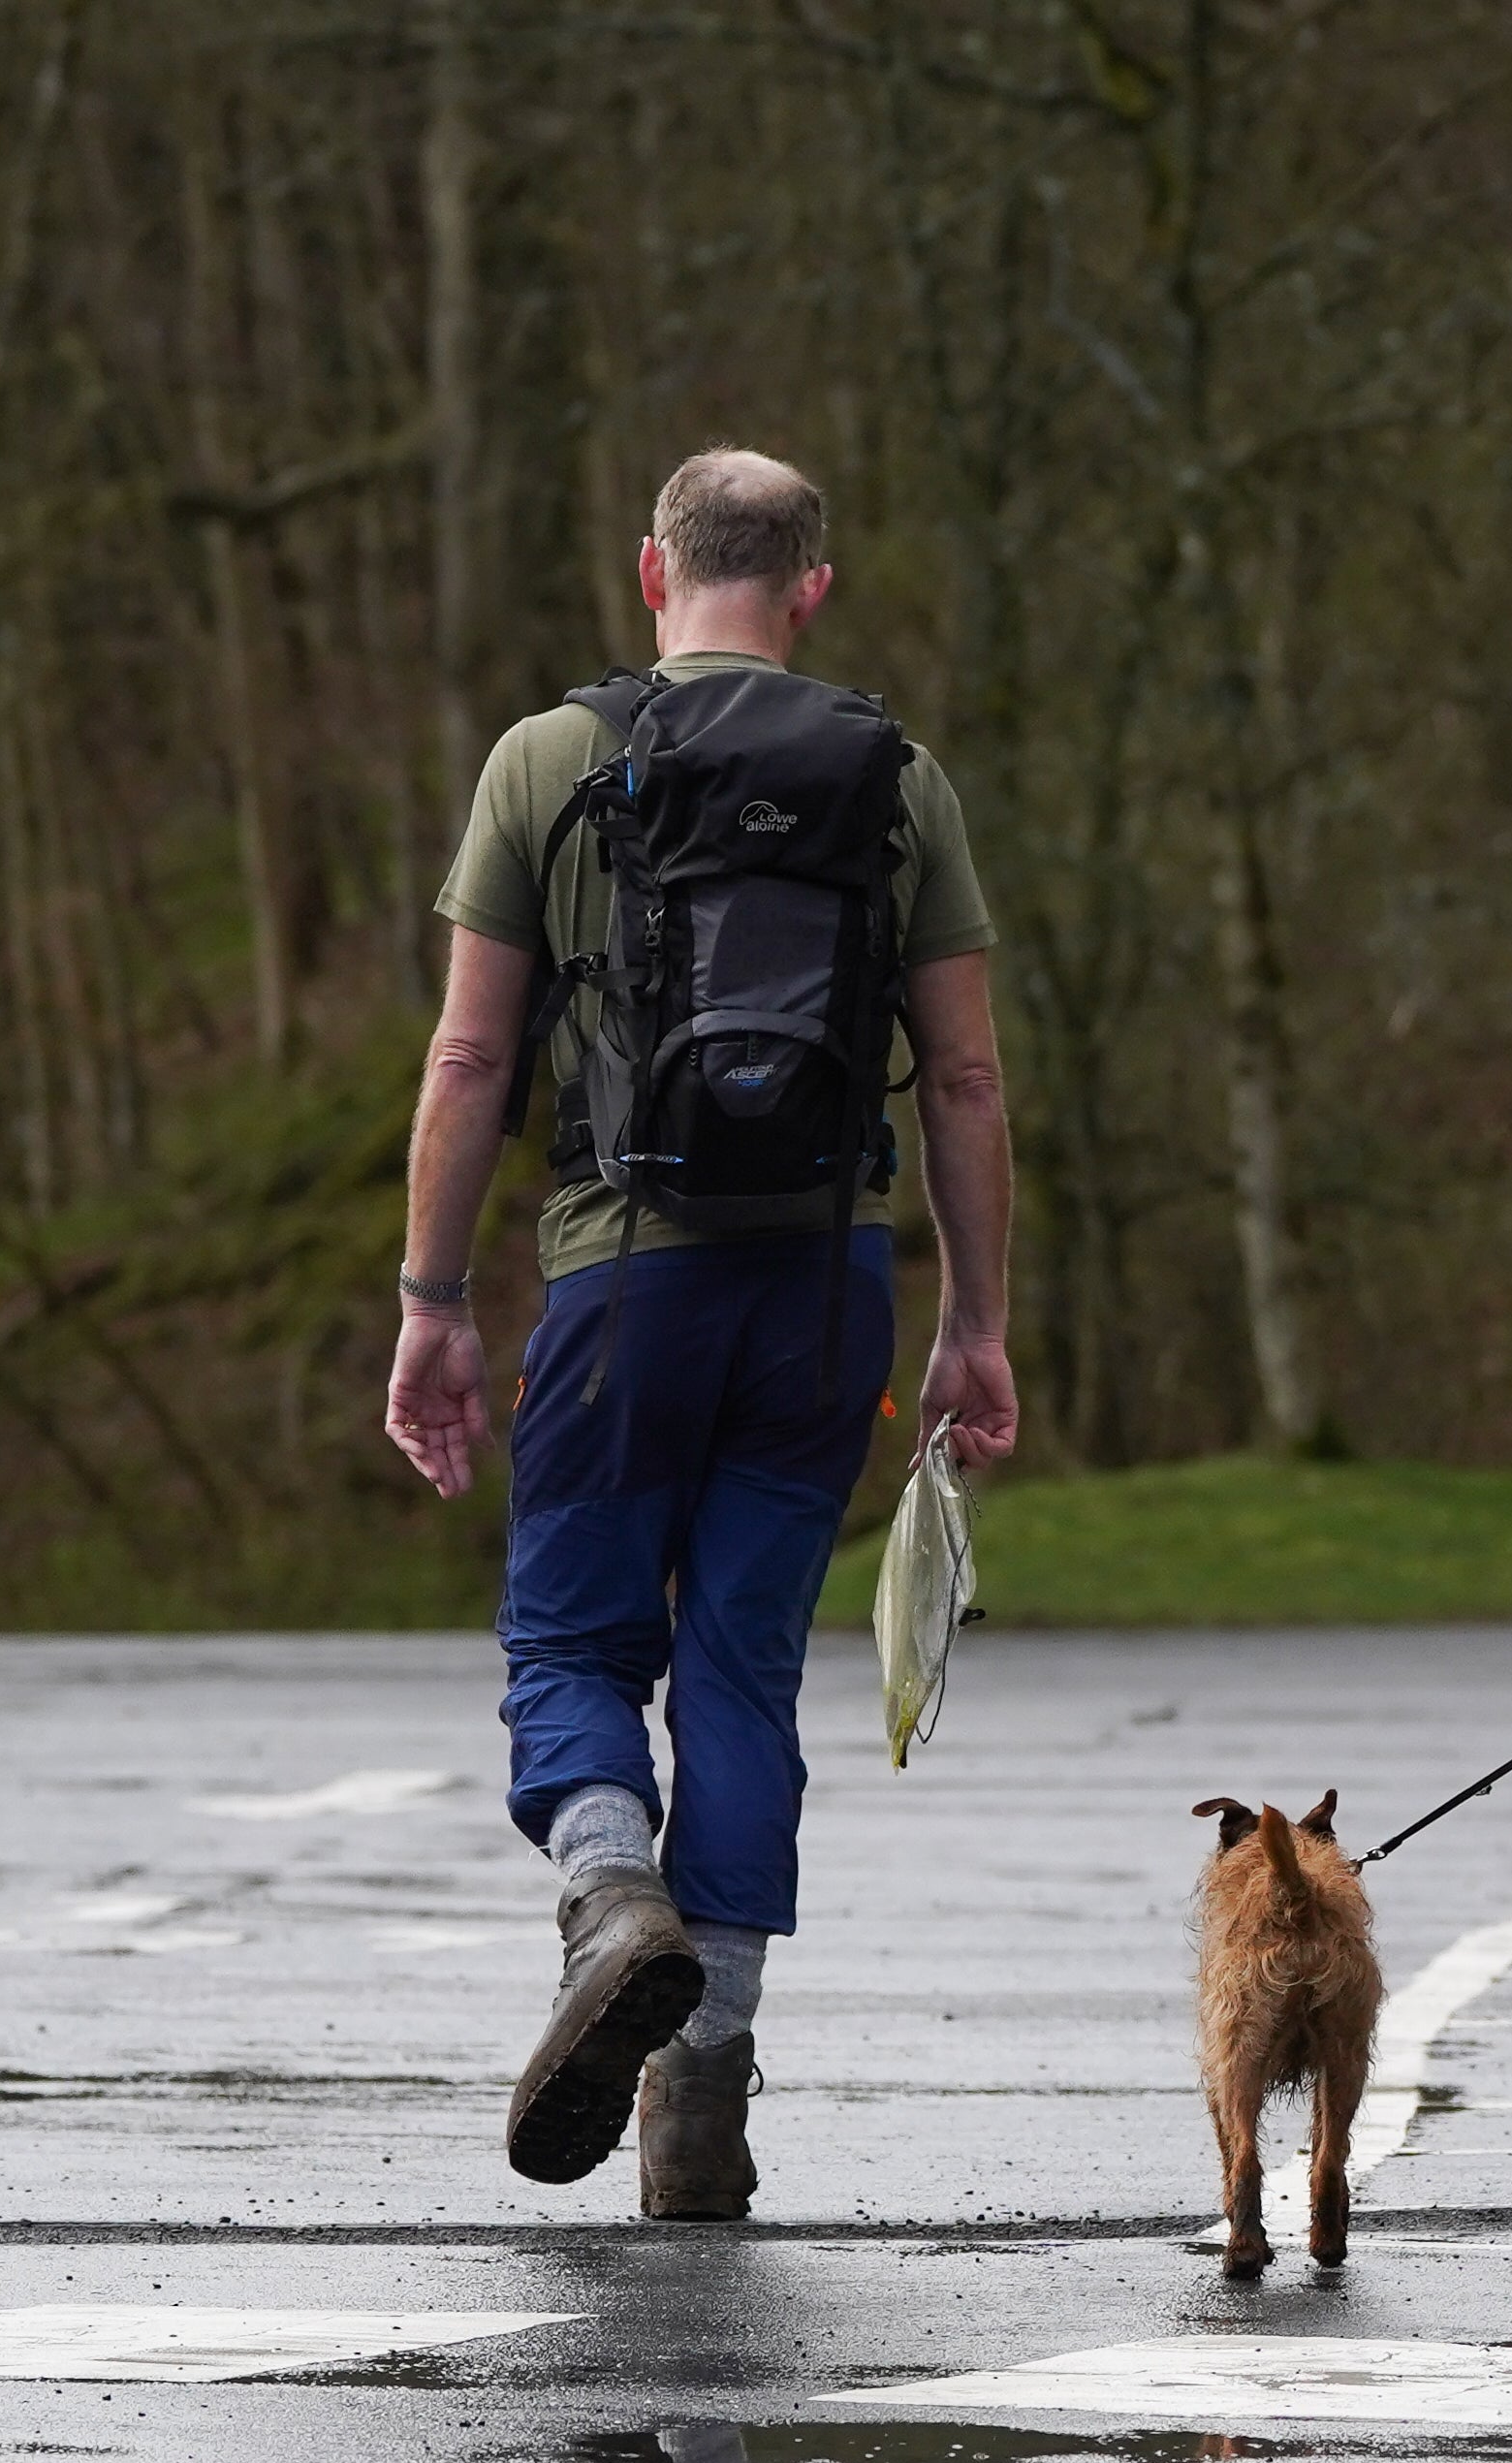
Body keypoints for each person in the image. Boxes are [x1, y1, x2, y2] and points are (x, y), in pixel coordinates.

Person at [383, 448, 1019, 2222]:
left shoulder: (550, 761)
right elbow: (962, 1075)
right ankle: (699, 2101)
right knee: (739, 1663)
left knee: (572, 1641)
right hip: (824, 1285)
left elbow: (468, 1059)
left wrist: (431, 1305)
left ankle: (610, 1893)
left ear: (651, 574)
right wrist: (974, 1323)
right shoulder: (898, 783)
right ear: (810, 587)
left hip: (620, 1274)